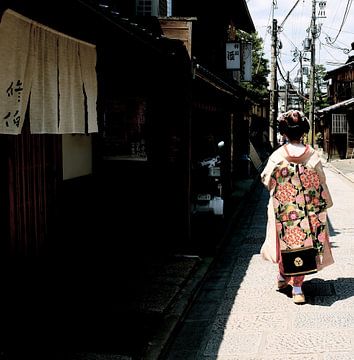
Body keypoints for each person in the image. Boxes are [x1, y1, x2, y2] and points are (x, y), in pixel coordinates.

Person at [260, 109, 334, 304]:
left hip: (283, 209)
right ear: (303, 132)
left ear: (284, 133)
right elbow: (321, 180)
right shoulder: (312, 155)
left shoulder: (277, 155)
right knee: (305, 241)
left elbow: (266, 179)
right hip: (308, 210)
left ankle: (284, 277)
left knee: (283, 240)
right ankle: (298, 286)